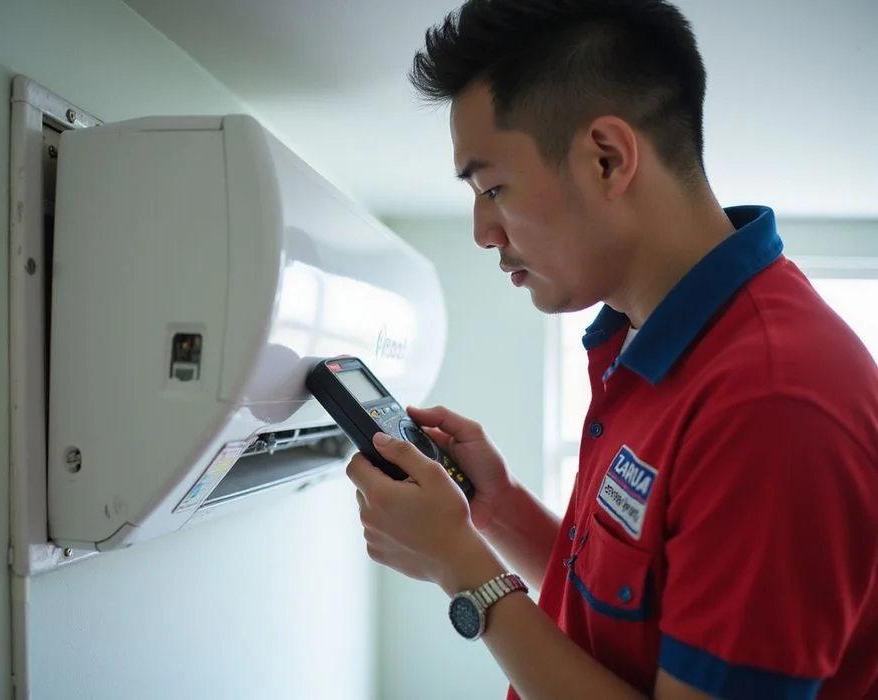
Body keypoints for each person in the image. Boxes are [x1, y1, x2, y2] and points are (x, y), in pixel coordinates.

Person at [345, 1, 878, 698]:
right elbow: (628, 614)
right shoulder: (649, 343)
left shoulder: (774, 404)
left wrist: (461, 569)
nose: (483, 230)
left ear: (607, 158)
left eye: (493, 187)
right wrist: (495, 510)